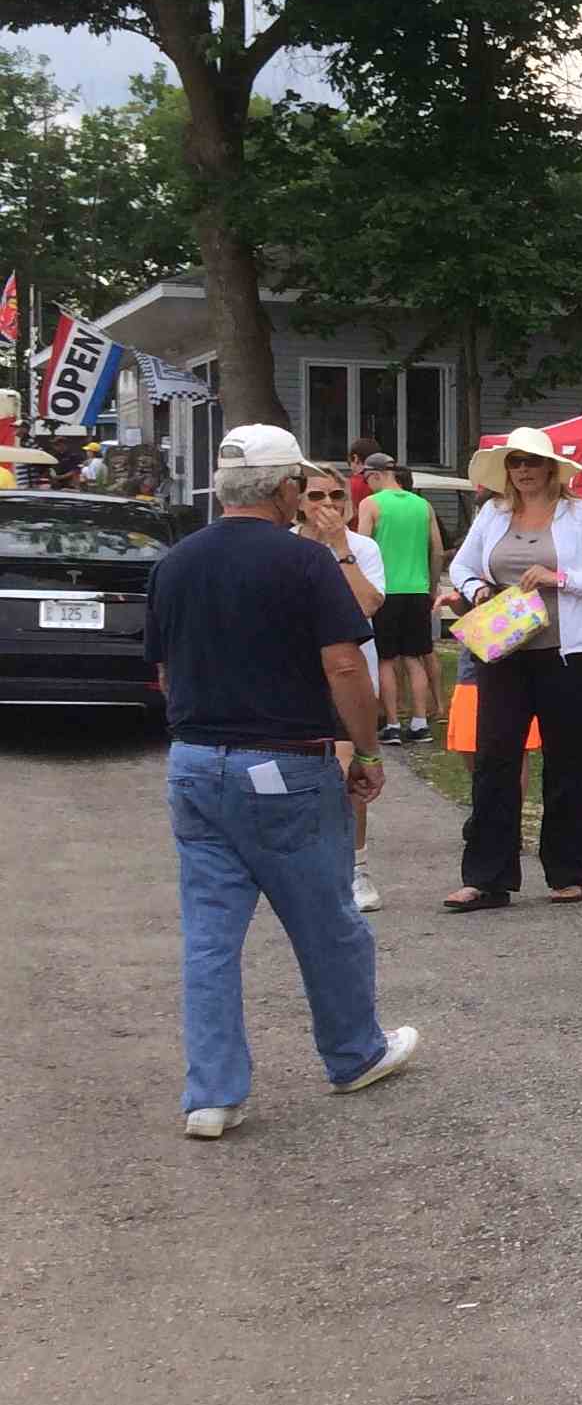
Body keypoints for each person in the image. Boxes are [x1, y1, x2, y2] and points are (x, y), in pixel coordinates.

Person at [146, 424, 420, 1138]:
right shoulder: (304, 564)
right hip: (284, 763)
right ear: (284, 488)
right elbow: (342, 665)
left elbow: (166, 673)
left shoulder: (174, 563)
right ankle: (353, 1052)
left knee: (209, 937)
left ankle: (212, 1093)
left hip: (196, 760)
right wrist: (366, 750)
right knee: (328, 922)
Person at [441, 428, 582, 911]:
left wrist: (562, 578)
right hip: (504, 648)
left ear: (552, 468)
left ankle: (567, 872)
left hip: (569, 654)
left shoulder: (581, 514)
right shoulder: (493, 513)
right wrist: (480, 591)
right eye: (514, 463)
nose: (523, 470)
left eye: (531, 461)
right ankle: (487, 877)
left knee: (568, 762)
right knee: (494, 759)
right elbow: (461, 569)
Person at [297, 464, 391, 913]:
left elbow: (369, 604)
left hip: (349, 675)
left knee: (347, 771)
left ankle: (357, 867)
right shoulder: (284, 544)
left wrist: (339, 549)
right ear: (298, 499)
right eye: (317, 496)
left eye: (337, 496)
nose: (329, 505)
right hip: (293, 675)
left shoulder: (362, 547)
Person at [359, 457, 444, 746]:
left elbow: (362, 547)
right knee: (415, 657)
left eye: (366, 478)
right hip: (417, 589)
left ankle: (393, 723)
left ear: (375, 475)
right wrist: (431, 586)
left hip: (384, 591)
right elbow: (437, 550)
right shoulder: (423, 505)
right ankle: (420, 723)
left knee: (386, 659)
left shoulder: (371, 504)